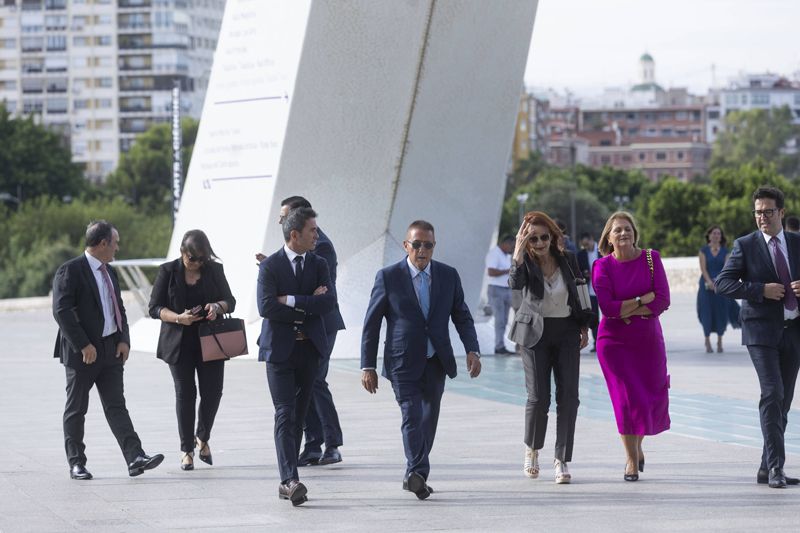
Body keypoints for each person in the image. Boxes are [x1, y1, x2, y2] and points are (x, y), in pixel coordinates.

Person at [361, 220, 481, 500]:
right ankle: (418, 472)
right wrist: (367, 366)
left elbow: (461, 316)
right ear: (406, 245)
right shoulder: (388, 277)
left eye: (428, 245)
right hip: (402, 360)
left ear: (434, 247)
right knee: (411, 415)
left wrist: (472, 350)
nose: (422, 250)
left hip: (436, 359)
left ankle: (413, 474)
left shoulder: (448, 275)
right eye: (417, 244)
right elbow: (372, 323)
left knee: (429, 417)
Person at [52, 220, 164, 480]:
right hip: (83, 353)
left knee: (117, 405)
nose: (117, 248)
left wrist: (124, 339)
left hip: (111, 350)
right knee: (76, 408)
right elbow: (62, 312)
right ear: (103, 243)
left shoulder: (109, 271)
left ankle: (135, 456)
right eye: (115, 243)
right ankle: (76, 463)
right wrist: (84, 345)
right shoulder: (70, 271)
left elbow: (118, 309)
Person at [716, 186, 800, 489]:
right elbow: (723, 283)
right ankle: (777, 466)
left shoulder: (797, 243)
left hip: (793, 332)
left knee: (785, 400)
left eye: (767, 211)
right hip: (760, 331)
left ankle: (767, 466)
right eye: (757, 212)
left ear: (781, 212)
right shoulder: (745, 245)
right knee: (772, 393)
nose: (762, 217)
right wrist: (759, 290)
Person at [257, 196, 346, 467]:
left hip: (321, 326)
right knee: (300, 392)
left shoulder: (321, 247)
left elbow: (322, 294)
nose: (280, 221)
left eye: (284, 216)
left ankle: (331, 443)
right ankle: (312, 444)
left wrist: (290, 297)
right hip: (292, 332)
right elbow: (271, 301)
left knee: (316, 382)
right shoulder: (285, 253)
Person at [509, 212, 590, 484]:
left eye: (545, 236)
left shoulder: (568, 260)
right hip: (534, 334)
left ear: (553, 236)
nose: (541, 242)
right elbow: (515, 285)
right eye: (534, 238)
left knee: (569, 397)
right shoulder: (525, 263)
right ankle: (532, 449)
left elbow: (580, 290)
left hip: (566, 330)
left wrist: (584, 325)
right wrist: (518, 254)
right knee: (538, 397)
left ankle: (561, 459)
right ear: (526, 240)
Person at [592, 211, 671, 482]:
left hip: (647, 342)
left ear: (634, 233)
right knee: (626, 400)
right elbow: (607, 308)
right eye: (617, 231)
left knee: (644, 397)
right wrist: (640, 300)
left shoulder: (652, 259)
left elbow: (661, 300)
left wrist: (627, 309)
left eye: (627, 229)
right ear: (609, 238)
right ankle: (630, 460)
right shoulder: (602, 266)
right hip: (614, 344)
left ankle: (637, 448)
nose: (623, 234)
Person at [148, 230, 236, 471]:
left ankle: (202, 437)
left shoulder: (214, 270)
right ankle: (186, 449)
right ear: (182, 253)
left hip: (211, 340)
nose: (197, 263)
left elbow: (231, 300)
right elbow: (154, 308)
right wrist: (179, 318)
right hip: (179, 342)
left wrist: (217, 307)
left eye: (201, 259)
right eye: (192, 258)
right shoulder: (168, 271)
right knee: (185, 394)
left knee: (213, 392)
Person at [697, 225, 732, 353]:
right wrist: (709, 282)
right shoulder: (703, 250)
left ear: (721, 237)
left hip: (720, 286)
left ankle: (719, 341)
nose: (716, 235)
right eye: (714, 233)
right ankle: (707, 340)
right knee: (706, 312)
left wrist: (718, 282)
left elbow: (726, 269)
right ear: (709, 235)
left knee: (720, 312)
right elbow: (703, 268)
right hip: (705, 286)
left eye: (718, 234)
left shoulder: (726, 252)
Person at [485, 235, 515, 354]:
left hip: (507, 289)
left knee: (505, 319)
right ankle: (499, 346)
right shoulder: (494, 253)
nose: (512, 249)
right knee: (500, 320)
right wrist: (507, 271)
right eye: (511, 246)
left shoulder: (506, 255)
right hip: (496, 290)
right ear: (505, 244)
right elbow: (491, 272)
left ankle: (501, 345)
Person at [577, 232, 600, 351]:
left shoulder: (602, 250)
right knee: (594, 317)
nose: (586, 247)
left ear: (592, 239)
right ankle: (597, 343)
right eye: (583, 245)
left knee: (611, 316)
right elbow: (578, 271)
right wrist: (585, 274)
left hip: (605, 289)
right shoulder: (581, 254)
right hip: (590, 290)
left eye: (587, 244)